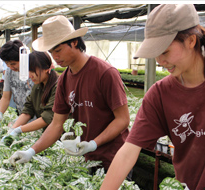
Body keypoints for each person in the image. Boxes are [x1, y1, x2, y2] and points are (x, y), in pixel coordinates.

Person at [98, 4, 205, 190]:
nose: (159, 61)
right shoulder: (160, 95)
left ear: (191, 41)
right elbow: (128, 151)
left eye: (164, 51)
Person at [8, 15, 130, 173]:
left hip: (115, 157)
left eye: (58, 50)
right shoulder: (64, 80)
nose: (55, 57)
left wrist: (94, 143)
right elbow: (56, 125)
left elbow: (123, 119)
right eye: (52, 52)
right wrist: (31, 151)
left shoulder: (105, 73)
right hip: (87, 158)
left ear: (74, 42)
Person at [1, 51, 58, 142]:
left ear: (46, 68)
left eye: (32, 70)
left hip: (62, 136)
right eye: (28, 70)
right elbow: (28, 110)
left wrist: (20, 130)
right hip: (48, 135)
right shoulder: (38, 86)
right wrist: (13, 129)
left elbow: (47, 117)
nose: (29, 75)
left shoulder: (58, 86)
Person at [0, 40, 34, 121]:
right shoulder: (9, 72)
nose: (10, 67)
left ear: (23, 58)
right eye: (7, 64)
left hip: (38, 118)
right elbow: (6, 97)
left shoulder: (34, 70)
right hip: (22, 116)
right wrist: (0, 113)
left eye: (13, 64)